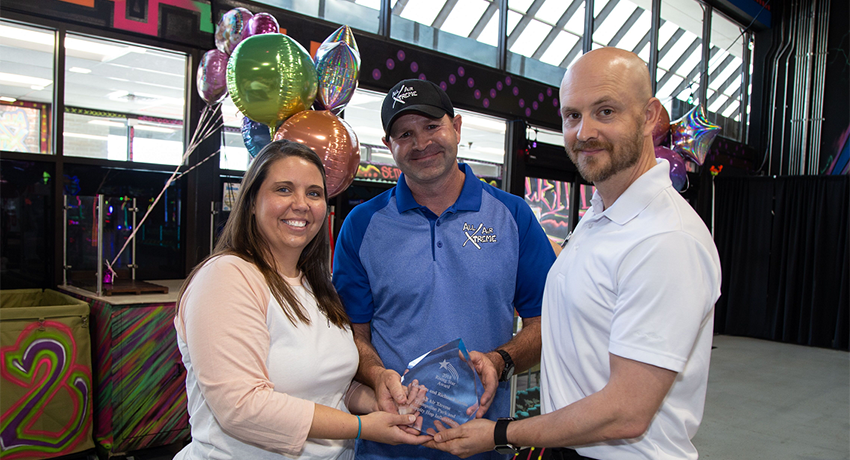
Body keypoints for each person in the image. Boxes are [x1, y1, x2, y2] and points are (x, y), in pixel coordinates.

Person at [428, 47, 722, 460]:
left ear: (651, 116)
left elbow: (626, 413)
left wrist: (500, 433)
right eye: (572, 115)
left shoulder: (665, 239)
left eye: (606, 111)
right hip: (570, 445)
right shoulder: (603, 214)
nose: (584, 132)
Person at [332, 79, 557, 459]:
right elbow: (352, 333)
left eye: (432, 126)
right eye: (405, 133)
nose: (421, 143)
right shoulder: (361, 225)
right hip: (386, 446)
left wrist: (500, 361)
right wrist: (376, 375)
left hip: (481, 445)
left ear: (457, 127)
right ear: (389, 146)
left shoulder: (513, 216)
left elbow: (548, 323)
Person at [173, 140, 429, 460]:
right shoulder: (226, 277)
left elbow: (327, 388)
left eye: (313, 193)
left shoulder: (316, 286)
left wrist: (379, 401)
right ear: (252, 201)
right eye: (283, 189)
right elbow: (241, 407)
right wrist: (362, 426)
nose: (301, 204)